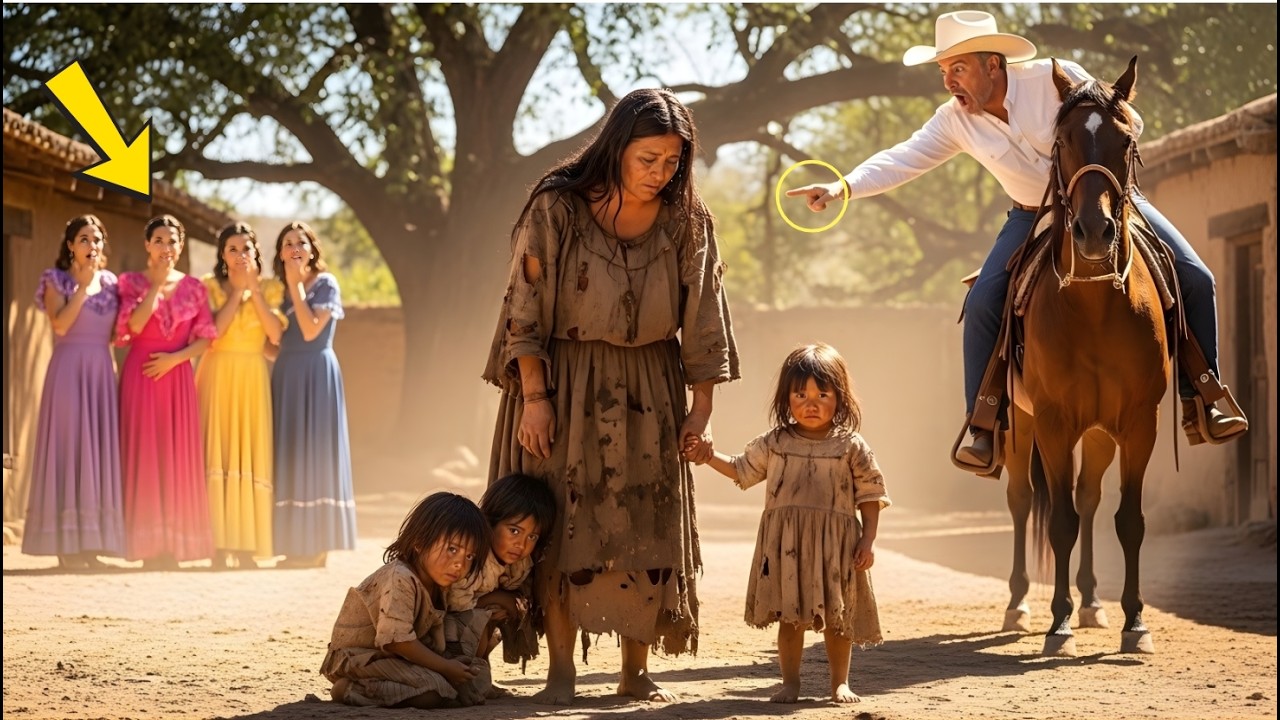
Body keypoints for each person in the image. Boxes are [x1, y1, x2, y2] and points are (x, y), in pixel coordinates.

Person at [786, 10, 1248, 469]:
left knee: (1195, 276)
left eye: (958, 68)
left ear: (993, 64)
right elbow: (903, 158)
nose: (948, 81)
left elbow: (1130, 124)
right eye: (943, 71)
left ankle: (1204, 394)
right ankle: (983, 423)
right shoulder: (953, 121)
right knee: (982, 301)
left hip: (1106, 204)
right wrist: (843, 187)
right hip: (1030, 215)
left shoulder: (1054, 79)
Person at [482, 87, 740, 704]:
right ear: (618, 146)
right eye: (648, 158)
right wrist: (535, 397)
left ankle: (635, 671)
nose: (661, 172)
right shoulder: (556, 208)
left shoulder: (687, 220)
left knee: (645, 524)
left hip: (652, 386)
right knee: (561, 524)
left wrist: (702, 410)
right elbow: (524, 308)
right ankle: (561, 674)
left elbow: (705, 317)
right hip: (562, 384)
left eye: (672, 161)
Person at [687, 343, 888, 704]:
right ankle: (790, 683)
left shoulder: (851, 445)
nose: (811, 403)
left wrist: (868, 539)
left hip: (836, 547)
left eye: (822, 395)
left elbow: (870, 495)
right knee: (790, 618)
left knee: (837, 617)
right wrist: (707, 456)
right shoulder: (776, 442)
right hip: (788, 547)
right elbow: (741, 469)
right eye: (800, 395)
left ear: (840, 398)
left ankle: (840, 683)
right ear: (786, 398)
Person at [321, 491, 491, 708]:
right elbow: (397, 642)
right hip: (360, 658)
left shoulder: (439, 584)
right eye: (452, 549)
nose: (460, 563)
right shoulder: (400, 578)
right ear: (420, 542)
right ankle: (351, 689)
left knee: (476, 679)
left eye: (469, 556)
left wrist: (450, 662)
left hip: (397, 658)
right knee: (433, 692)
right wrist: (445, 667)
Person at [22, 215, 125, 569]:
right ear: (70, 245)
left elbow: (116, 333)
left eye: (97, 239)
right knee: (70, 449)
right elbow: (61, 325)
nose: (91, 245)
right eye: (84, 239)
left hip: (101, 373)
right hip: (68, 372)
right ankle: (65, 547)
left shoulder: (112, 283)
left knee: (96, 453)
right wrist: (81, 288)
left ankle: (92, 546)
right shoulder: (56, 280)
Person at [115, 214, 216, 569]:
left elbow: (205, 339)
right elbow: (132, 326)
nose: (165, 247)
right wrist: (155, 286)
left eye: (172, 241)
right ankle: (147, 547)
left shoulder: (195, 288)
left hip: (177, 378)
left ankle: (175, 546)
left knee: (176, 457)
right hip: (141, 377)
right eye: (158, 240)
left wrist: (175, 360)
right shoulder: (130, 283)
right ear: (147, 244)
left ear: (181, 245)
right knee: (144, 455)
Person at [195, 222, 285, 570]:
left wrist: (254, 290)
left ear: (255, 252)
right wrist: (236, 292)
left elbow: (275, 335)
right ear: (222, 254)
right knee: (218, 453)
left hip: (252, 377)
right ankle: (218, 546)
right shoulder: (209, 286)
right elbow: (213, 333)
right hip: (217, 374)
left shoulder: (271, 288)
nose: (239, 255)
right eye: (232, 249)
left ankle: (248, 546)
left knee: (250, 455)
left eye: (245, 249)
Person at [270, 221, 355, 568]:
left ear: (311, 249)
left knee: (315, 455)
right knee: (291, 453)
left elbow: (309, 331)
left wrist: (295, 285)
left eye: (300, 242)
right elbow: (275, 345)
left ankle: (318, 544)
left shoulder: (325, 284)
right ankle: (294, 544)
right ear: (280, 253)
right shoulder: (277, 291)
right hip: (287, 374)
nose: (294, 247)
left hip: (318, 373)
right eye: (287, 242)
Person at [444, 472, 557, 696]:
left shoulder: (521, 563)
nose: (521, 544)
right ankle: (465, 679)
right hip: (442, 628)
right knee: (481, 617)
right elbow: (453, 604)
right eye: (514, 531)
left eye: (532, 537)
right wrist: (499, 599)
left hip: (474, 618)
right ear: (490, 523)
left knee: (492, 616)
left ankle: (480, 677)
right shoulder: (472, 558)